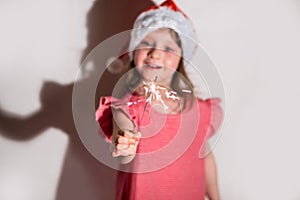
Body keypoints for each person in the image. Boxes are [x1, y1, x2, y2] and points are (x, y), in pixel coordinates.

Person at [96, 0, 223, 199]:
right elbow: (124, 140)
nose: (155, 54)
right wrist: (124, 142)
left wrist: (216, 197)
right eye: (146, 44)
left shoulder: (198, 110)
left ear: (181, 59)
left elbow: (204, 155)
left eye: (168, 49)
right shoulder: (130, 108)